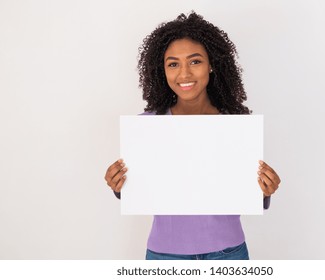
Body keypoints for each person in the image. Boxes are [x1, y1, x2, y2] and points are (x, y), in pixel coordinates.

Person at [104, 12, 281, 260]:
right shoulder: (147, 127)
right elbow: (144, 189)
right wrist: (120, 186)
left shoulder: (235, 127)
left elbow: (241, 190)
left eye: (195, 61)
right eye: (173, 64)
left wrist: (264, 190)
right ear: (162, 70)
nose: (184, 74)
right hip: (165, 256)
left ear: (211, 64)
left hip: (227, 253)